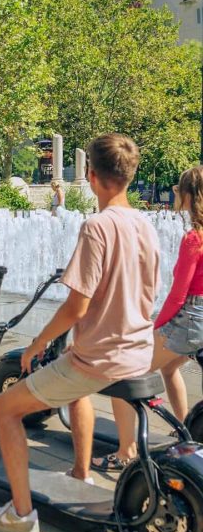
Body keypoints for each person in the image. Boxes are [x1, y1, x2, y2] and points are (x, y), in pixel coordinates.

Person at [0, 134, 159, 532]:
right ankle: (80, 472)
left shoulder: (97, 226)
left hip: (100, 359)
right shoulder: (145, 225)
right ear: (130, 175)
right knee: (72, 385)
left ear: (90, 176)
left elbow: (76, 306)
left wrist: (38, 344)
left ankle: (21, 515)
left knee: (5, 409)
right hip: (138, 353)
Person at [93, 166, 203, 471]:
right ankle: (185, 433)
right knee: (168, 368)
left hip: (191, 320)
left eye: (180, 189)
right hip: (199, 322)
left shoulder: (194, 238)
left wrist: (153, 328)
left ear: (191, 196)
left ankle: (126, 452)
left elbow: (178, 296)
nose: (177, 193)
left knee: (122, 375)